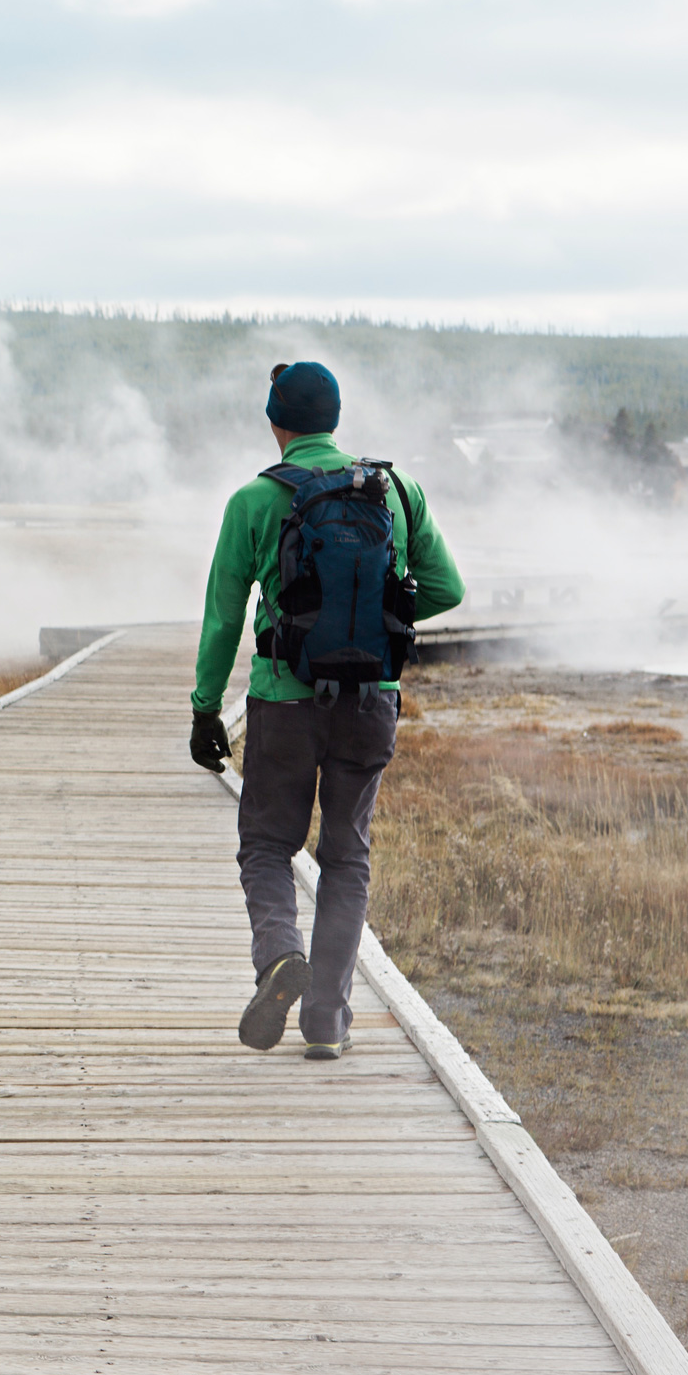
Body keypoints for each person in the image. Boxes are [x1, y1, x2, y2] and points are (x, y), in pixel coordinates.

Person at [188, 361, 465, 1059]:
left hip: (283, 700)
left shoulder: (254, 500)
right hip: (371, 699)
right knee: (346, 858)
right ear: (334, 419)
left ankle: (279, 955)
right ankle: (325, 1023)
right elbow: (446, 589)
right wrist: (381, 623)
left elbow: (222, 618)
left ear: (274, 420)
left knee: (264, 845)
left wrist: (203, 709)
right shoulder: (397, 491)